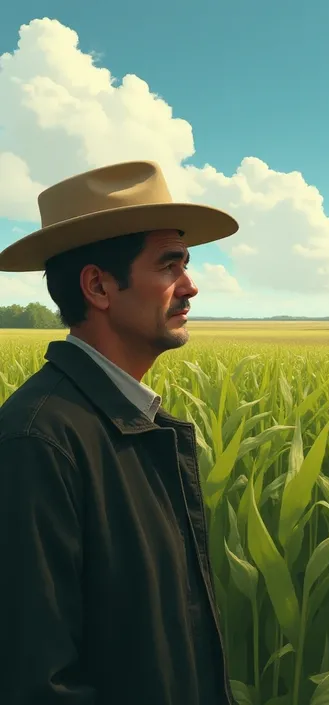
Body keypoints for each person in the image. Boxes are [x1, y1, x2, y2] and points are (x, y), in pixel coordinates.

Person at [0, 161, 239, 704]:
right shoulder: (37, 443)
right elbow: (35, 682)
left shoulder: (132, 422)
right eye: (169, 265)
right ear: (99, 285)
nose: (191, 286)